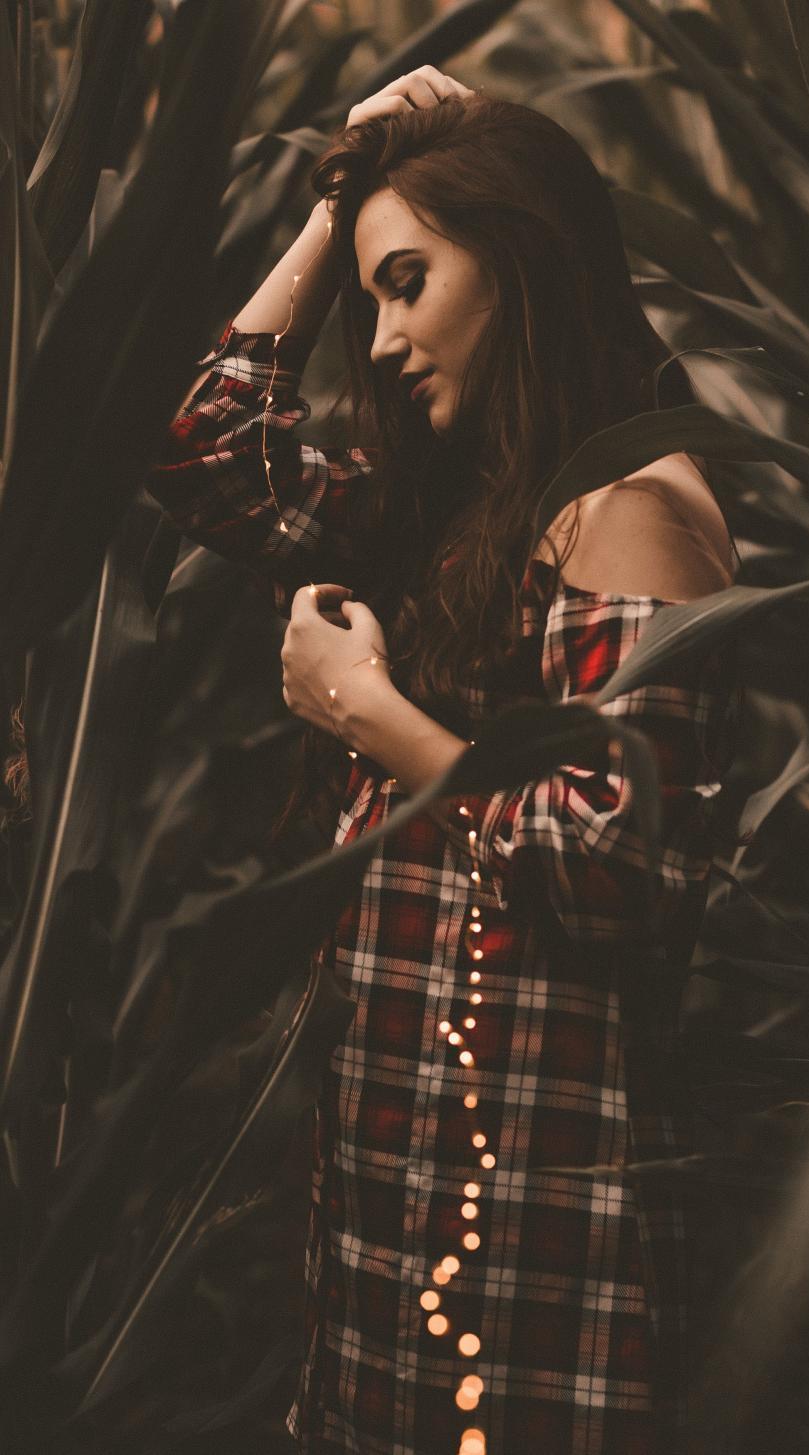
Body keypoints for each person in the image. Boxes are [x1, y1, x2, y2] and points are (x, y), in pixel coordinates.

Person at [147, 69, 739, 1455]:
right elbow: (204, 454)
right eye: (370, 300)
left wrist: (369, 713)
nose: (389, 335)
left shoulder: (632, 506)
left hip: (533, 1195)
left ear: (520, 252)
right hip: (413, 1174)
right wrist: (334, 204)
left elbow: (616, 867)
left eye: (410, 280)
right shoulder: (473, 501)